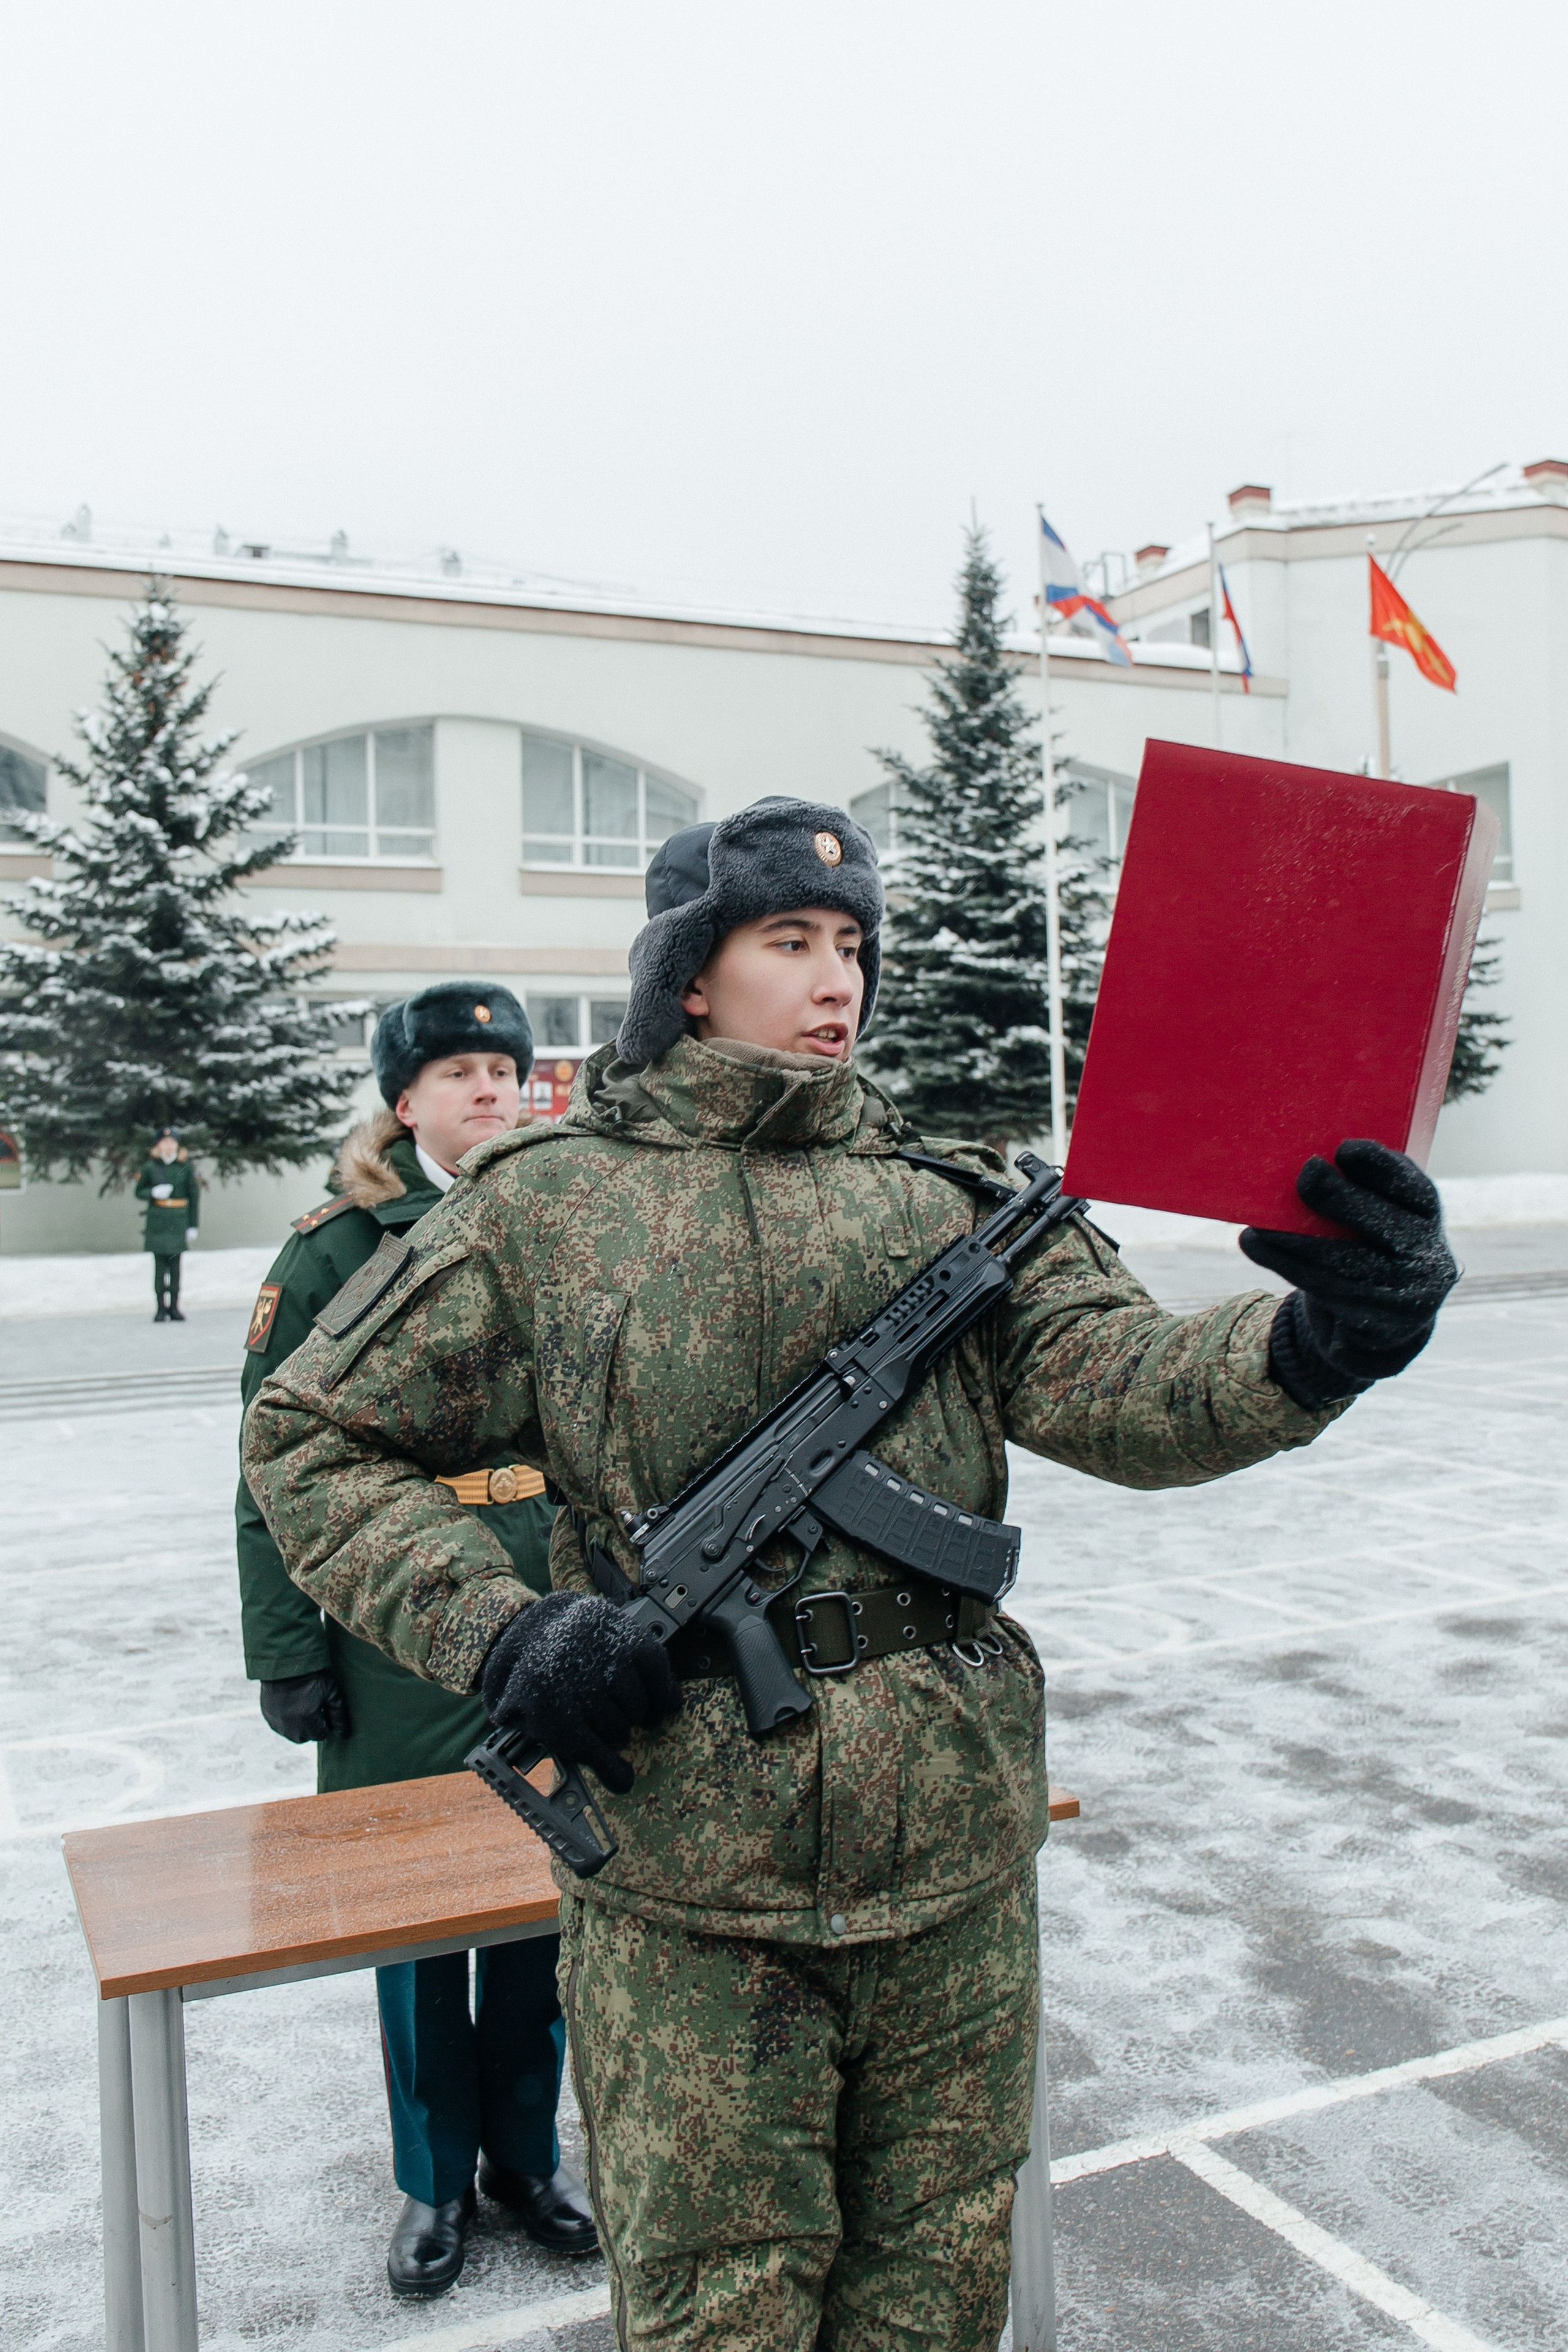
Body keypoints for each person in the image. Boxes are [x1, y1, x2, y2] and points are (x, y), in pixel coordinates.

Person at [244, 797, 1458, 2351]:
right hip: (692, 1884)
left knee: (933, 2294)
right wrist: (506, 1630)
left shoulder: (946, 1196)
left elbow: (1129, 1385)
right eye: (790, 942)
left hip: (947, 1857)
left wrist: (1319, 1339)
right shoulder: (550, 1203)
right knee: (721, 2310)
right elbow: (309, 1437)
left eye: (854, 946)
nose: (839, 981)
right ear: (690, 973)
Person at [236, 982, 597, 2298]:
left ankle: (525, 2160)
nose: (490, 1090)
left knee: (535, 1912)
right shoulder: (338, 1249)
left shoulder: (557, 1223)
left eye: (504, 1068)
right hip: (391, 1639)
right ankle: (433, 2179)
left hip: (544, 1621)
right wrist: (286, 1647)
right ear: (404, 1104)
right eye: (457, 1073)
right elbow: (268, 1468)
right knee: (410, 1934)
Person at [135, 1128, 199, 1320]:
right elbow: (139, 1191)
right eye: (164, 1142)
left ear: (178, 1146)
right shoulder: (150, 1168)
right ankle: (160, 1308)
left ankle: (175, 1307)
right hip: (158, 1221)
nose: (168, 1146)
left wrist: (193, 1225)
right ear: (158, 1145)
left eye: (172, 1142)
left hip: (178, 1220)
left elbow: (194, 1198)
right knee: (160, 1267)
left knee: (175, 1268)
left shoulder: (186, 1168)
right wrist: (153, 1193)